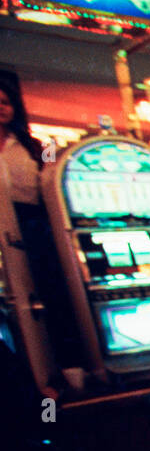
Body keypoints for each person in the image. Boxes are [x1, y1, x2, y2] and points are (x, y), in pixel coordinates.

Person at [0, 76, 83, 376]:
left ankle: (67, 367)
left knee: (52, 292)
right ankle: (29, 376)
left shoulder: (37, 146)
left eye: (6, 102)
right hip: (3, 228)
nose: (2, 108)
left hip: (35, 224)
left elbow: (51, 181)